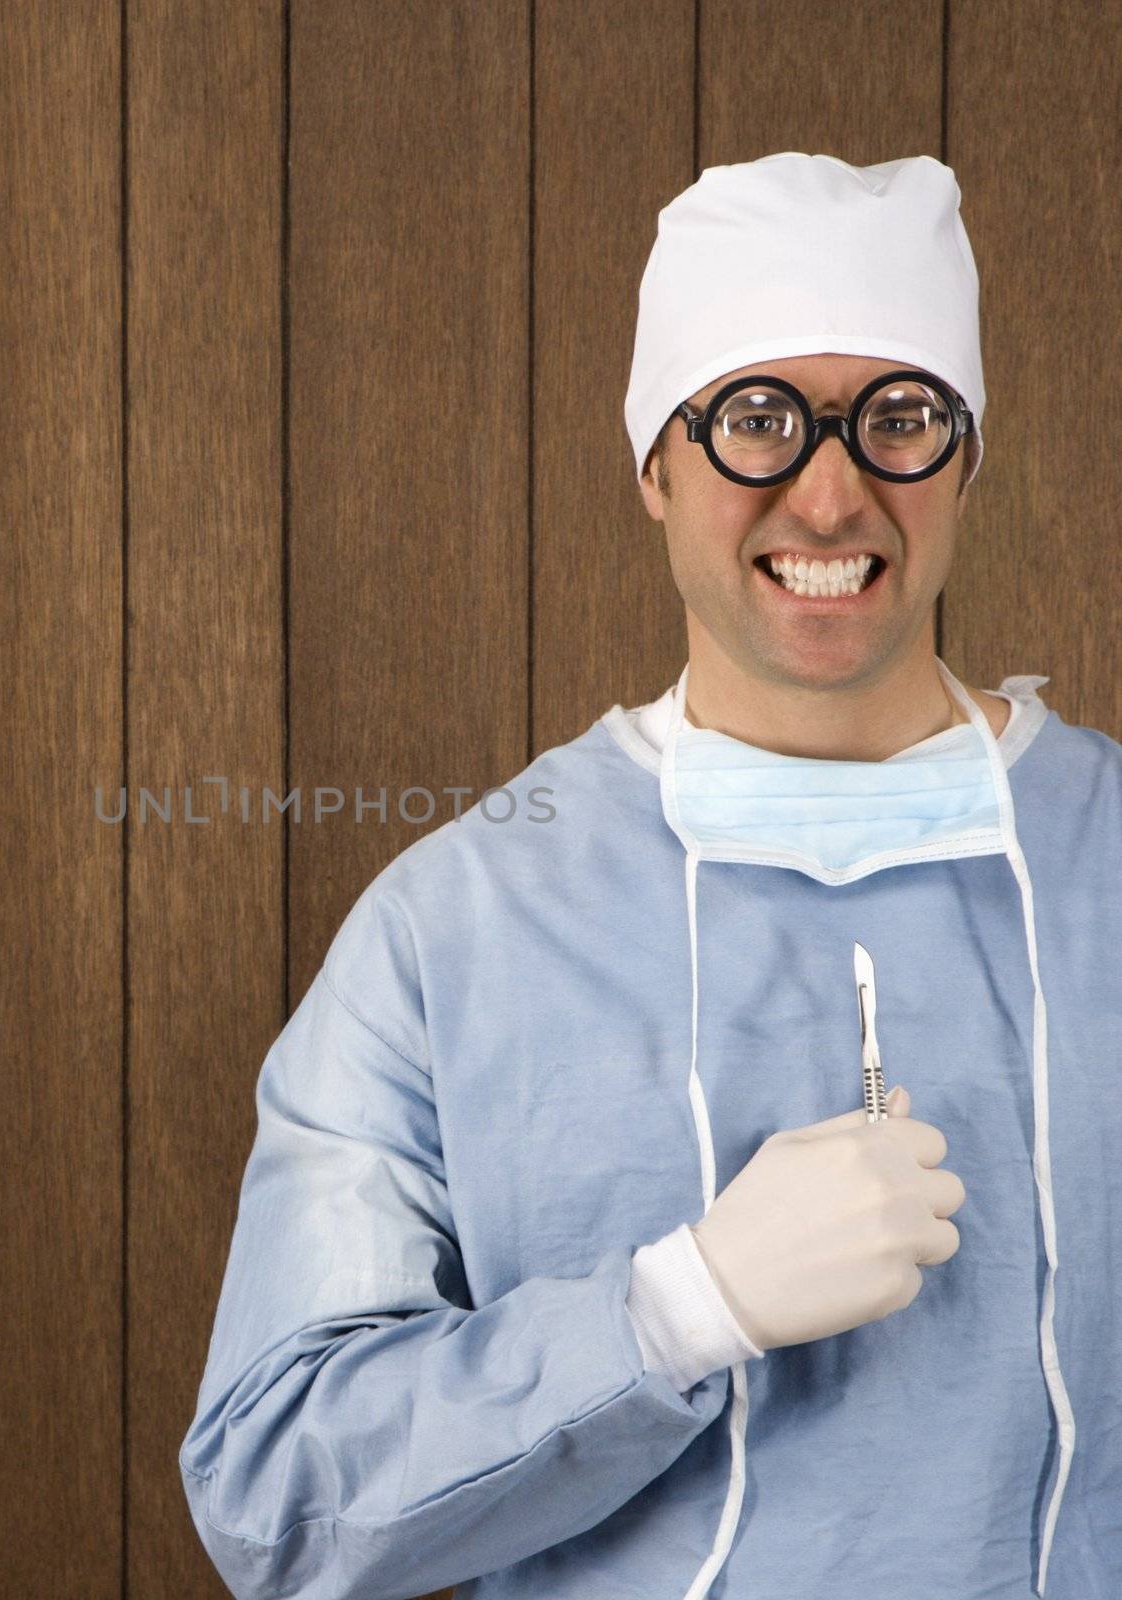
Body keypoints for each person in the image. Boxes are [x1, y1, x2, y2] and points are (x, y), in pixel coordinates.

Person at [178, 152, 1119, 1598]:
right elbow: (276, 1489)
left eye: (901, 418)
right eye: (754, 419)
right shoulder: (461, 927)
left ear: (968, 458)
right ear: (654, 464)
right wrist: (681, 1310)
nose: (827, 494)